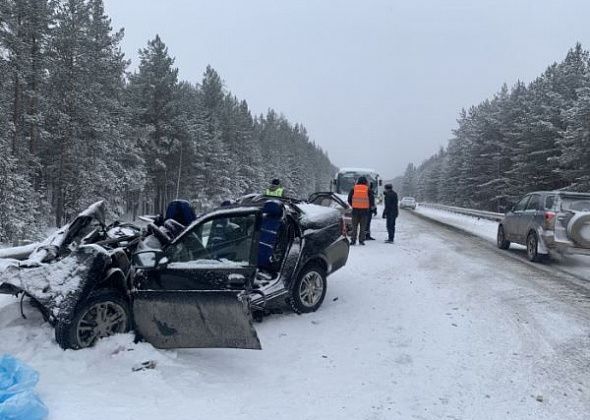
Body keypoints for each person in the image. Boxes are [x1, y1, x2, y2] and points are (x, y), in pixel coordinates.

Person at [347, 176, 375, 245]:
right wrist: (370, 207)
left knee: (354, 226)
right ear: (365, 182)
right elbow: (372, 200)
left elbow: (349, 199)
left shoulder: (353, 188)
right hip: (364, 211)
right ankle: (361, 241)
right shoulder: (368, 189)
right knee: (363, 227)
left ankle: (353, 241)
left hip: (355, 210)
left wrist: (353, 205)